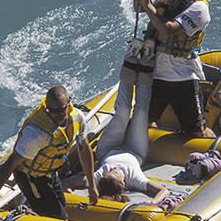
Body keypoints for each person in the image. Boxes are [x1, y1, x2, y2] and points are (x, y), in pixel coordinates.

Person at [0, 85, 99, 220]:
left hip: (50, 173)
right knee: (58, 218)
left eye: (62, 109)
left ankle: (33, 204)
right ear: (47, 106)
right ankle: (28, 206)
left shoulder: (77, 117)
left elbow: (84, 149)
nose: (58, 114)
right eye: (53, 111)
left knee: (62, 204)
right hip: (30, 177)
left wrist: (92, 185)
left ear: (69, 102)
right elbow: (12, 162)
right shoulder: (36, 132)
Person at [130, 0, 217, 138]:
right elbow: (138, 7)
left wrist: (148, 5)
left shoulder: (200, 10)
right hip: (155, 74)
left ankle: (215, 153)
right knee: (143, 121)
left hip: (182, 77)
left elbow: (168, 30)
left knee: (198, 132)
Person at [62, 80, 172, 208]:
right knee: (141, 111)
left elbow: (67, 182)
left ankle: (127, 77)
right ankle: (145, 78)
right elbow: (164, 191)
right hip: (135, 150)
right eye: (115, 174)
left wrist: (71, 196)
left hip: (108, 148)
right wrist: (152, 202)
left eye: (109, 171)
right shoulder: (136, 179)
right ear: (123, 184)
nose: (113, 169)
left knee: (123, 111)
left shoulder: (98, 178)